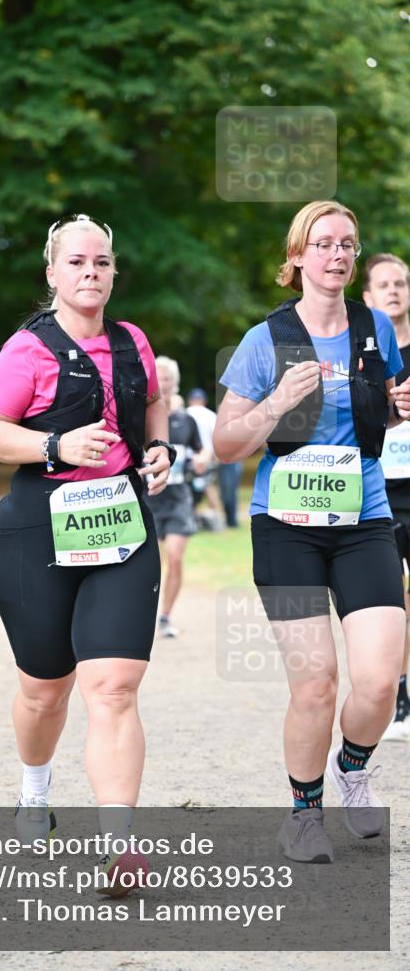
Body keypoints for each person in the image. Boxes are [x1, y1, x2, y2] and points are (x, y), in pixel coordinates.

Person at [0, 213, 173, 895]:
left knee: (111, 688)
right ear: (52, 274)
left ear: (114, 272)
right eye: (78, 262)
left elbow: (151, 407)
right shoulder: (26, 350)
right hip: (36, 531)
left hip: (119, 526)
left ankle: (119, 848)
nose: (91, 272)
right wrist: (53, 446)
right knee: (44, 688)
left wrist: (159, 448)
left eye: (102, 262)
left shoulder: (134, 341)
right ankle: (34, 790)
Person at [214, 200, 408, 864]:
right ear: (296, 256)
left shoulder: (373, 328)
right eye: (322, 243)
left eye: (347, 244)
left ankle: (351, 767)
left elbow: (386, 403)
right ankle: (302, 813)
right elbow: (223, 445)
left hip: (363, 518)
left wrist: (397, 403)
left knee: (380, 680)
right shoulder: (265, 339)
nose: (336, 255)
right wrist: (274, 403)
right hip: (286, 527)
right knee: (316, 682)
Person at [363, 253, 410, 741]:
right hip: (380, 490)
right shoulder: (366, 351)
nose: (395, 291)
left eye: (402, 283)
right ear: (369, 298)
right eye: (385, 284)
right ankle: (398, 693)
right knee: (393, 600)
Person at [146, 356, 205, 638]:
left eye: (168, 378)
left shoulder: (186, 419)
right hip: (150, 497)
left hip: (179, 498)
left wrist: (204, 459)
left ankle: (166, 617)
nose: (164, 383)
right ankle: (146, 613)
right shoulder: (143, 418)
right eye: (159, 378)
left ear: (175, 383)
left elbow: (202, 449)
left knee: (175, 557)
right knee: (153, 564)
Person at [186, 388, 223, 528]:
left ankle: (191, 518)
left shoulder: (185, 413)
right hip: (207, 456)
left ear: (190, 400)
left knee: (188, 488)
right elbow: (216, 438)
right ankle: (218, 518)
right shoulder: (211, 415)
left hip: (189, 457)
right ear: (204, 401)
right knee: (209, 487)